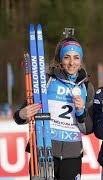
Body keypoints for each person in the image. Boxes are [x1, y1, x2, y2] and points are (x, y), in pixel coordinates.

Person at [13, 37, 95, 180]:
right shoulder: (46, 81)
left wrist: (81, 111)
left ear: (81, 60)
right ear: (60, 60)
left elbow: (87, 129)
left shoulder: (87, 87)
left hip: (72, 156)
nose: (71, 63)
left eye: (76, 58)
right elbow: (19, 117)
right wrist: (23, 114)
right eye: (67, 57)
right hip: (43, 151)